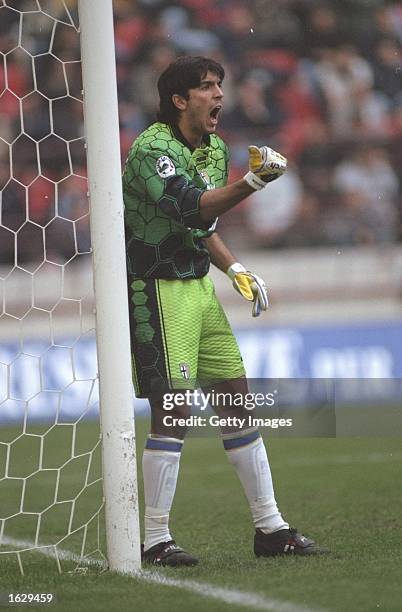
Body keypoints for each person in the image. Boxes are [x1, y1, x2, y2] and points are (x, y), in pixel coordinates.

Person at [122, 56, 324, 566]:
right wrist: (254, 183)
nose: (218, 96)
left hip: (198, 287)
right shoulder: (153, 148)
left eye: (219, 86)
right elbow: (187, 206)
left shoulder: (213, 150)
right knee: (174, 411)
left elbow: (202, 224)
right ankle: (153, 539)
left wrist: (234, 268)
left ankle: (270, 528)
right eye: (206, 87)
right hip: (158, 290)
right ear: (179, 100)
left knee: (237, 400)